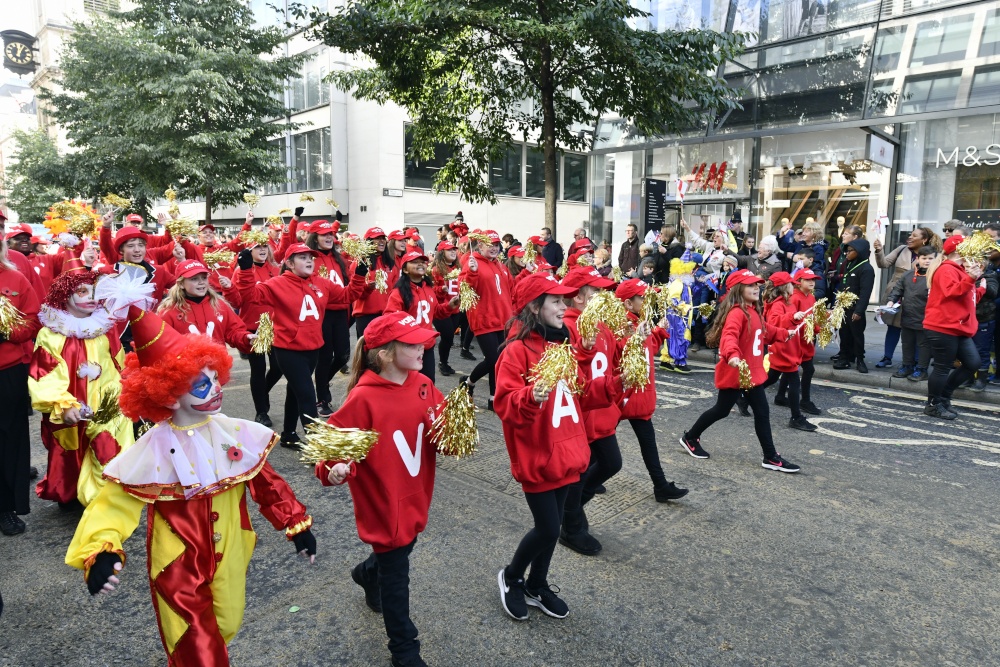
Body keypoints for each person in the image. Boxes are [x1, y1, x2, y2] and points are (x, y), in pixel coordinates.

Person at [66, 308, 316, 666]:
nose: (216, 389)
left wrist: (296, 524)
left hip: (232, 553)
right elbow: (112, 505)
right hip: (177, 565)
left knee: (226, 625)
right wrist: (101, 550)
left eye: (215, 378)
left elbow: (265, 482)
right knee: (197, 647)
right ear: (169, 396)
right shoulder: (150, 451)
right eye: (201, 384)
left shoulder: (232, 432)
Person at [316, 312, 443, 667]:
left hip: (415, 492)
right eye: (412, 344)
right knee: (397, 574)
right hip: (383, 501)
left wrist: (454, 432)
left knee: (402, 549)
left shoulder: (423, 384)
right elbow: (329, 450)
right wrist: (333, 469)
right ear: (385, 354)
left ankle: (366, 573)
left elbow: (441, 425)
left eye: (421, 342)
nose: (422, 348)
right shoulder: (363, 399)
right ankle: (404, 649)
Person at [494, 272, 612, 622]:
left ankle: (538, 583)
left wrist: (615, 384)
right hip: (538, 456)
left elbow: (581, 395)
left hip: (567, 453)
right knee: (547, 528)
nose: (564, 306)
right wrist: (530, 395)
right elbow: (505, 404)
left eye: (565, 300)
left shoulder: (562, 346)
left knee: (556, 523)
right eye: (556, 301)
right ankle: (512, 577)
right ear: (535, 307)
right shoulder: (516, 351)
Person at [235, 243, 367, 448]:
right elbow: (251, 296)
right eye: (302, 258)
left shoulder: (321, 283)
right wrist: (245, 271)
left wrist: (359, 275)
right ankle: (317, 446)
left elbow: (346, 296)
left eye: (310, 257)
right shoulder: (277, 283)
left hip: (312, 349)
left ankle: (288, 434)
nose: (309, 261)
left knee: (295, 391)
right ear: (289, 263)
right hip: (288, 350)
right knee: (306, 394)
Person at [29, 267, 134, 509]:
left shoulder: (105, 327)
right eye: (82, 291)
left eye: (94, 291)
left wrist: (121, 396)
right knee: (69, 450)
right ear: (65, 296)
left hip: (106, 405)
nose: (91, 297)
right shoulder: (51, 334)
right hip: (71, 405)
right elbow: (45, 373)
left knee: (109, 447)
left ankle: (103, 500)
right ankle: (71, 491)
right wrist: (61, 404)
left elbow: (117, 364)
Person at [679, 270, 800, 473]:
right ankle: (690, 437)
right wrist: (732, 354)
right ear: (738, 289)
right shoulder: (737, 313)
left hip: (751, 373)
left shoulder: (753, 310)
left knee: (762, 412)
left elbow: (765, 331)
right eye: (750, 285)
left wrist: (784, 333)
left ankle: (770, 456)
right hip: (736, 372)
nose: (756, 288)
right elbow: (729, 336)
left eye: (757, 284)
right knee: (721, 410)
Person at [559, 266, 624, 556]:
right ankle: (571, 527)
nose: (603, 295)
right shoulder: (567, 326)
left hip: (602, 409)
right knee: (578, 471)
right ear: (579, 297)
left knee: (611, 463)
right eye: (596, 291)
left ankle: (571, 509)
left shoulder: (601, 325)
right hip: (581, 411)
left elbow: (611, 361)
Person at [615, 279, 689, 501]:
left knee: (647, 442)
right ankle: (586, 480)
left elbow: (649, 350)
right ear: (628, 304)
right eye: (643, 298)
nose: (648, 301)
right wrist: (636, 337)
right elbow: (618, 354)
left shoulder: (640, 321)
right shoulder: (621, 325)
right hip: (621, 394)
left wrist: (658, 331)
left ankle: (660, 485)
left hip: (638, 394)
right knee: (601, 443)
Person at [0, 238, 41, 536]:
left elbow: (32, 319)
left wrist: (6, 331)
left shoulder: (15, 278)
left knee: (9, 439)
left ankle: (6, 507)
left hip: (8, 371)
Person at [922, 235, 987, 419]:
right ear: (961, 250)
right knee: (942, 367)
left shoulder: (959, 269)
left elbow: (967, 298)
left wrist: (980, 288)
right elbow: (952, 292)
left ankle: (943, 397)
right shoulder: (946, 269)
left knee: (972, 363)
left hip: (957, 327)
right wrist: (971, 278)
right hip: (943, 326)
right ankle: (933, 404)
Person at [458, 230, 514, 412]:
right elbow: (465, 290)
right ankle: (468, 382)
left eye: (497, 245)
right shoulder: (472, 263)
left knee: (499, 361)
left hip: (503, 319)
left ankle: (493, 398)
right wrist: (472, 272)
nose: (494, 248)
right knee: (493, 359)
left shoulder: (501, 266)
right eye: (491, 244)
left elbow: (512, 290)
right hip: (484, 319)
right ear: (480, 245)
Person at [384, 249, 460, 382]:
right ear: (405, 270)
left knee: (428, 382)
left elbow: (435, 312)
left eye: (423, 262)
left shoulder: (428, 288)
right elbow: (390, 319)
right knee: (408, 383)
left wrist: (449, 306)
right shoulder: (398, 292)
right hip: (407, 348)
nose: (420, 264)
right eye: (414, 262)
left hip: (427, 346)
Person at [872, 227, 941, 369]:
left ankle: (915, 362)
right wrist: (879, 250)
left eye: (914, 236)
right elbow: (883, 263)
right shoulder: (901, 249)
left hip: (918, 296)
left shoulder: (931, 255)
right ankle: (887, 357)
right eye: (910, 234)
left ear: (924, 240)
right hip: (896, 293)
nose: (910, 237)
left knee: (916, 330)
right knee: (893, 327)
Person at [759, 272, 817, 432]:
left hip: (790, 345)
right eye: (791, 284)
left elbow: (796, 320)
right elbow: (774, 322)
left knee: (771, 378)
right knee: (794, 382)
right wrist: (793, 316)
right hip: (783, 346)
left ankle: (744, 396)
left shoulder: (788, 302)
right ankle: (796, 417)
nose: (794, 286)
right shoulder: (777, 304)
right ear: (784, 287)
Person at [158, 259, 253, 354]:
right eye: (194, 279)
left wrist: (246, 338)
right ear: (181, 284)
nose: (201, 282)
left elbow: (233, 331)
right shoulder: (169, 311)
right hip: (185, 362)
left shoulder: (219, 305)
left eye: (204, 278)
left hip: (218, 362)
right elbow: (163, 344)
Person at [774, 269, 822, 414]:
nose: (812, 282)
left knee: (788, 371)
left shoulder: (811, 297)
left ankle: (780, 396)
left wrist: (818, 327)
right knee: (807, 369)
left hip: (806, 339)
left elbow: (812, 317)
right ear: (798, 282)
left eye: (813, 279)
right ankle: (804, 401)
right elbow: (792, 319)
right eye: (808, 279)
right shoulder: (794, 297)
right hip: (797, 340)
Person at [886, 246, 935, 382]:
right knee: (907, 343)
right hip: (908, 315)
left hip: (926, 317)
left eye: (930, 258)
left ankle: (921, 369)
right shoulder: (908, 275)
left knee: (924, 345)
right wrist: (891, 301)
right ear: (918, 259)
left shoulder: (936, 275)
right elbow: (898, 289)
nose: (927, 261)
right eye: (924, 258)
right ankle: (907, 366)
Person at [832, 238, 875, 373]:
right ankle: (845, 357)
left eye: (851, 251)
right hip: (844, 306)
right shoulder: (849, 264)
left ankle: (860, 360)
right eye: (847, 251)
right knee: (844, 333)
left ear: (860, 251)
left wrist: (859, 311)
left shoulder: (866, 269)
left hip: (856, 308)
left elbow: (865, 292)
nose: (847, 253)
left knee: (857, 335)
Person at [352, 227, 400, 337]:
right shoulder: (360, 262)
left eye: (383, 238)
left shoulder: (391, 264)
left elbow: (395, 291)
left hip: (386, 315)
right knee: (366, 347)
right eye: (377, 238)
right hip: (365, 314)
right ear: (368, 242)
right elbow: (354, 291)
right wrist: (367, 288)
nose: (381, 241)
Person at [430, 242, 461, 376]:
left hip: (455, 309)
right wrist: (441, 290)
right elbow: (430, 290)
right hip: (441, 309)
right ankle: (442, 363)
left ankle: (444, 362)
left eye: (454, 250)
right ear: (442, 253)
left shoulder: (459, 268)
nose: (453, 252)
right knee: (447, 336)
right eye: (449, 250)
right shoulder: (436, 270)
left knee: (449, 338)